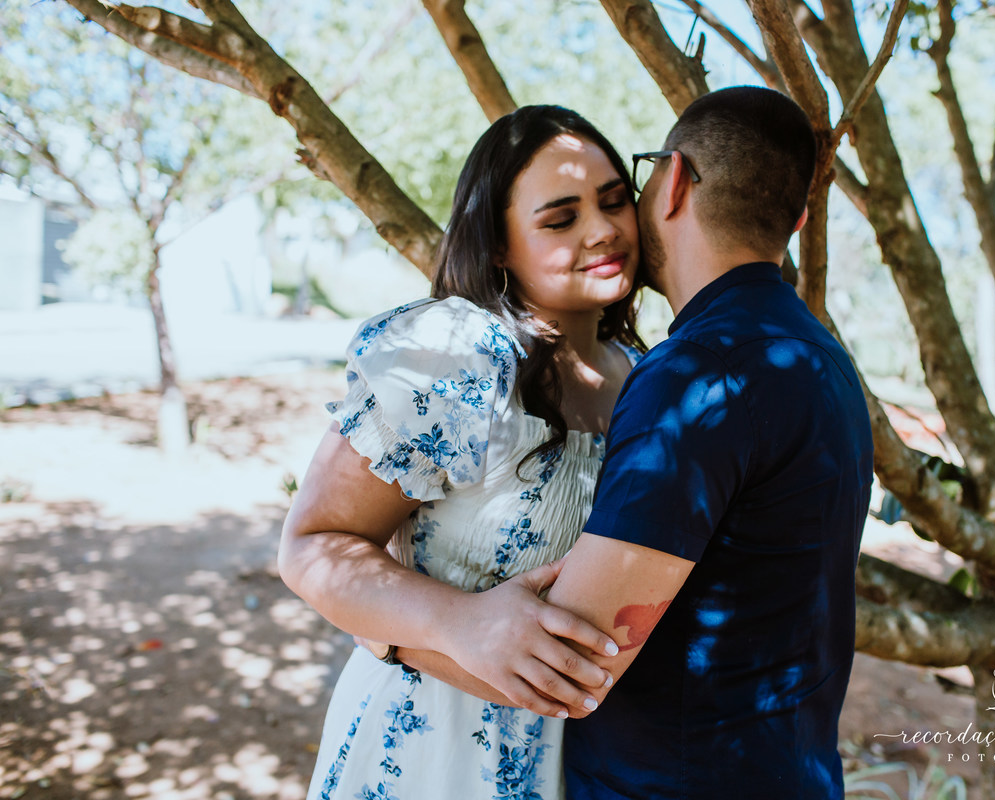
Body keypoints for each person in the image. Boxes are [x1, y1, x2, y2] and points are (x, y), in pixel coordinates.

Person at [277, 104, 645, 800]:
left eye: (615, 200)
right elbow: (312, 545)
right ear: (500, 245)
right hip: (428, 753)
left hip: (594, 762)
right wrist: (455, 622)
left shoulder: (648, 375)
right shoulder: (453, 360)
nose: (603, 230)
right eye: (560, 218)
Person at [538, 86, 876, 798]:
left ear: (676, 180)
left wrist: (394, 631)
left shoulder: (699, 377)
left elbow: (575, 658)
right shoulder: (824, 362)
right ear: (800, 219)